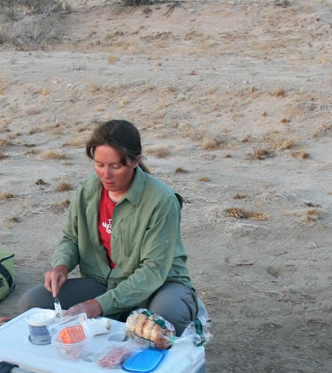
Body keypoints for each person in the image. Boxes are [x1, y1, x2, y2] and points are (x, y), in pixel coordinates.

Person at [18, 119, 198, 334]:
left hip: (158, 286)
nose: (106, 175)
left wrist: (100, 305)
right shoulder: (87, 191)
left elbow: (153, 271)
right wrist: (61, 265)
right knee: (32, 304)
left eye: (115, 166)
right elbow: (71, 238)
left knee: (163, 322)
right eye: (99, 164)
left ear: (134, 161)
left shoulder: (161, 201)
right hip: (104, 283)